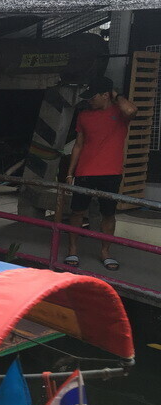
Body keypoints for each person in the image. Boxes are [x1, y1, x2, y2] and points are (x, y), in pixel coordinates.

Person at [64, 76, 137, 271]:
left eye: (92, 96)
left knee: (108, 214)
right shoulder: (84, 115)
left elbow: (131, 110)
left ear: (105, 95)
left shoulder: (120, 113)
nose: (89, 100)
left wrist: (117, 95)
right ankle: (72, 248)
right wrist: (70, 173)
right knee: (77, 211)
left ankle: (105, 252)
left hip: (111, 172)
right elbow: (78, 145)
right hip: (85, 171)